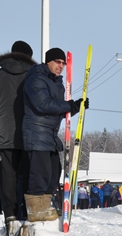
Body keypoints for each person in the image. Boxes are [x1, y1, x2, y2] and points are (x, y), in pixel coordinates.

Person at [22, 47, 88, 222]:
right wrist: (68, 105)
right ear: (48, 62)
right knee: (40, 174)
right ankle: (36, 210)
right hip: (37, 134)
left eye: (63, 63)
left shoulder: (56, 82)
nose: (61, 66)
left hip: (50, 135)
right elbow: (43, 104)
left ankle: (44, 206)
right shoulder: (37, 78)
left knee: (53, 173)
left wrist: (76, 107)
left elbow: (57, 109)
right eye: (57, 62)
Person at [0, 40, 36, 231]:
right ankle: (26, 213)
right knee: (27, 174)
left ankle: (10, 214)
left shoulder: (1, 74)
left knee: (8, 175)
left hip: (4, 134)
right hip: (28, 132)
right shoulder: (34, 75)